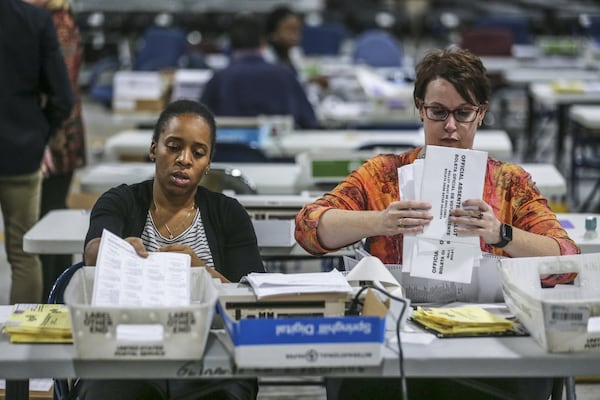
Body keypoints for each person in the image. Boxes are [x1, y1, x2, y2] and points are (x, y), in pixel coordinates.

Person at [294, 48, 580, 400]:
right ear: (420, 109)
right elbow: (308, 228)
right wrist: (379, 221)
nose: (450, 126)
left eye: (463, 113)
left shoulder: (509, 182)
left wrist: (501, 234)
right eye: (438, 112)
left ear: (482, 114)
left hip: (488, 343)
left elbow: (565, 259)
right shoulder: (384, 175)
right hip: (401, 340)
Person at [74, 99, 265, 399]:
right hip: (124, 352)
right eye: (173, 146)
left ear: (208, 162)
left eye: (198, 153)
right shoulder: (119, 201)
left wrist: (199, 271)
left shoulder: (228, 214)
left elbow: (252, 301)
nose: (184, 159)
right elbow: (92, 253)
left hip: (209, 354)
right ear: (154, 149)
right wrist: (121, 251)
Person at [0, 0, 73, 304]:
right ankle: (22, 339)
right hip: (20, 150)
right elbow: (63, 97)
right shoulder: (35, 20)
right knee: (23, 253)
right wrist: (42, 131)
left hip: (23, 146)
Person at [23, 0, 87, 301]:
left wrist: (43, 138)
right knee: (46, 220)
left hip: (56, 139)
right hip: (48, 135)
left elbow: (60, 89)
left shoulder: (59, 24)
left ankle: (55, 299)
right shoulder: (42, 20)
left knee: (50, 224)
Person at [200, 13, 319, 129]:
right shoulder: (285, 75)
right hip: (280, 147)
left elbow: (198, 124)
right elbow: (309, 121)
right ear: (263, 42)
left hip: (230, 148)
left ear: (230, 44)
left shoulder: (219, 79)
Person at [264, 5, 303, 74]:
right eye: (290, 30)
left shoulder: (296, 52)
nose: (295, 35)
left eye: (297, 29)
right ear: (273, 33)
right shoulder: (265, 57)